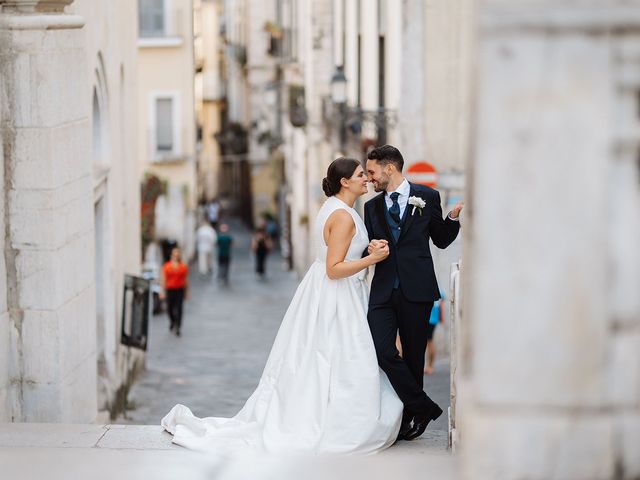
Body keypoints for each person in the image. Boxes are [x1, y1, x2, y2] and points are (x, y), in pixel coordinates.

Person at [161, 158, 401, 454]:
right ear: (345, 182)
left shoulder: (335, 209)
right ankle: (335, 421)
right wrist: (372, 259)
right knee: (339, 358)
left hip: (326, 293)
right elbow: (334, 268)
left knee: (321, 360)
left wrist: (368, 247)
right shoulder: (344, 217)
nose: (367, 178)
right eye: (360, 174)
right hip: (338, 296)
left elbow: (340, 253)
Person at [364, 144, 463, 442]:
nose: (369, 178)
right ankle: (422, 406)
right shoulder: (371, 207)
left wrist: (453, 219)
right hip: (382, 289)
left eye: (372, 171)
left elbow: (441, 240)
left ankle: (410, 418)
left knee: (414, 357)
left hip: (417, 289)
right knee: (382, 351)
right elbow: (370, 243)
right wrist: (370, 249)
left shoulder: (428, 197)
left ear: (389, 167)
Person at [160, 247, 189, 337]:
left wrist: (187, 292)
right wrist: (162, 291)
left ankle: (178, 326)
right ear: (171, 255)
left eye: (178, 254)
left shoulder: (183, 267)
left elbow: (186, 280)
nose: (176, 256)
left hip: (179, 289)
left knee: (179, 308)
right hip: (170, 289)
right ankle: (172, 321)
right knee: (169, 308)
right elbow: (163, 279)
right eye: (174, 254)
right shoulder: (167, 266)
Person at [424, 290, 445, 375]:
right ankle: (430, 366)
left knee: (429, 342)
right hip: (434, 320)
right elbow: (441, 305)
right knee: (430, 341)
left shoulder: (425, 287)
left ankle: (430, 366)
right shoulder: (439, 291)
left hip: (427, 318)